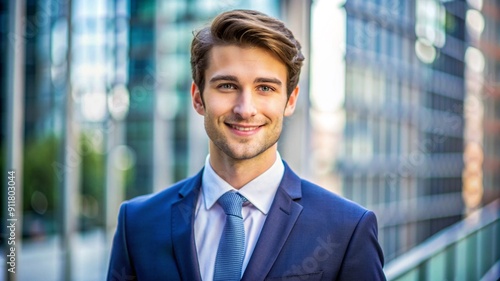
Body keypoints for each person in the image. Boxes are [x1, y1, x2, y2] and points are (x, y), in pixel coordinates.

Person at [107, 9, 385, 281]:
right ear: (197, 97)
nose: (245, 109)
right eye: (227, 86)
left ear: (290, 100)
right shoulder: (138, 223)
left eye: (265, 88)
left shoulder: (346, 229)